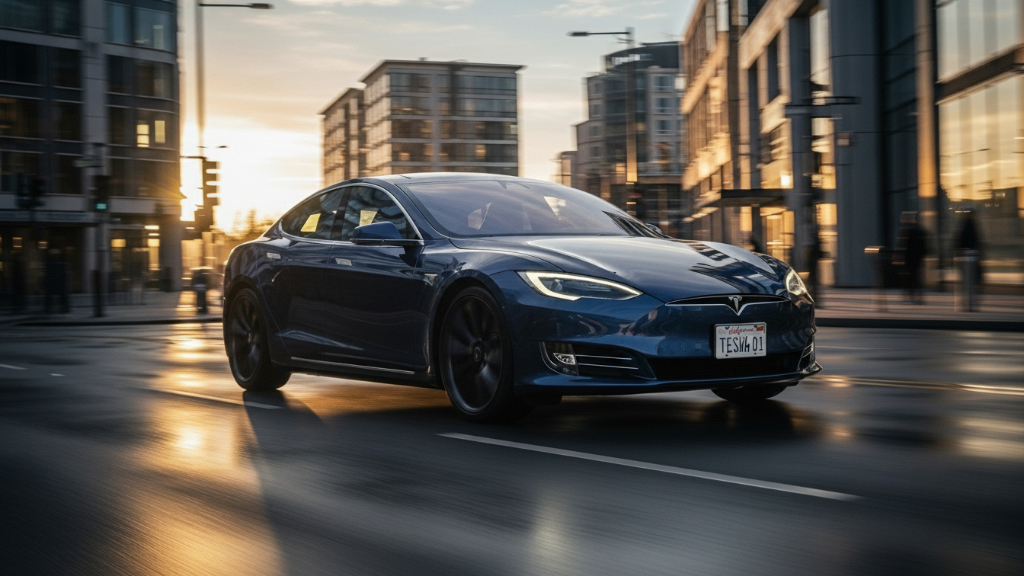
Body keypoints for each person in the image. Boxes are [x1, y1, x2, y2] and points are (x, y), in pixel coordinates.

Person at [894, 211, 928, 304]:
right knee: (916, 277)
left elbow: (903, 245)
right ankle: (919, 297)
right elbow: (924, 246)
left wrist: (899, 257)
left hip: (909, 258)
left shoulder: (907, 230)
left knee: (909, 278)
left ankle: (910, 296)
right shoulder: (920, 230)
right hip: (917, 258)